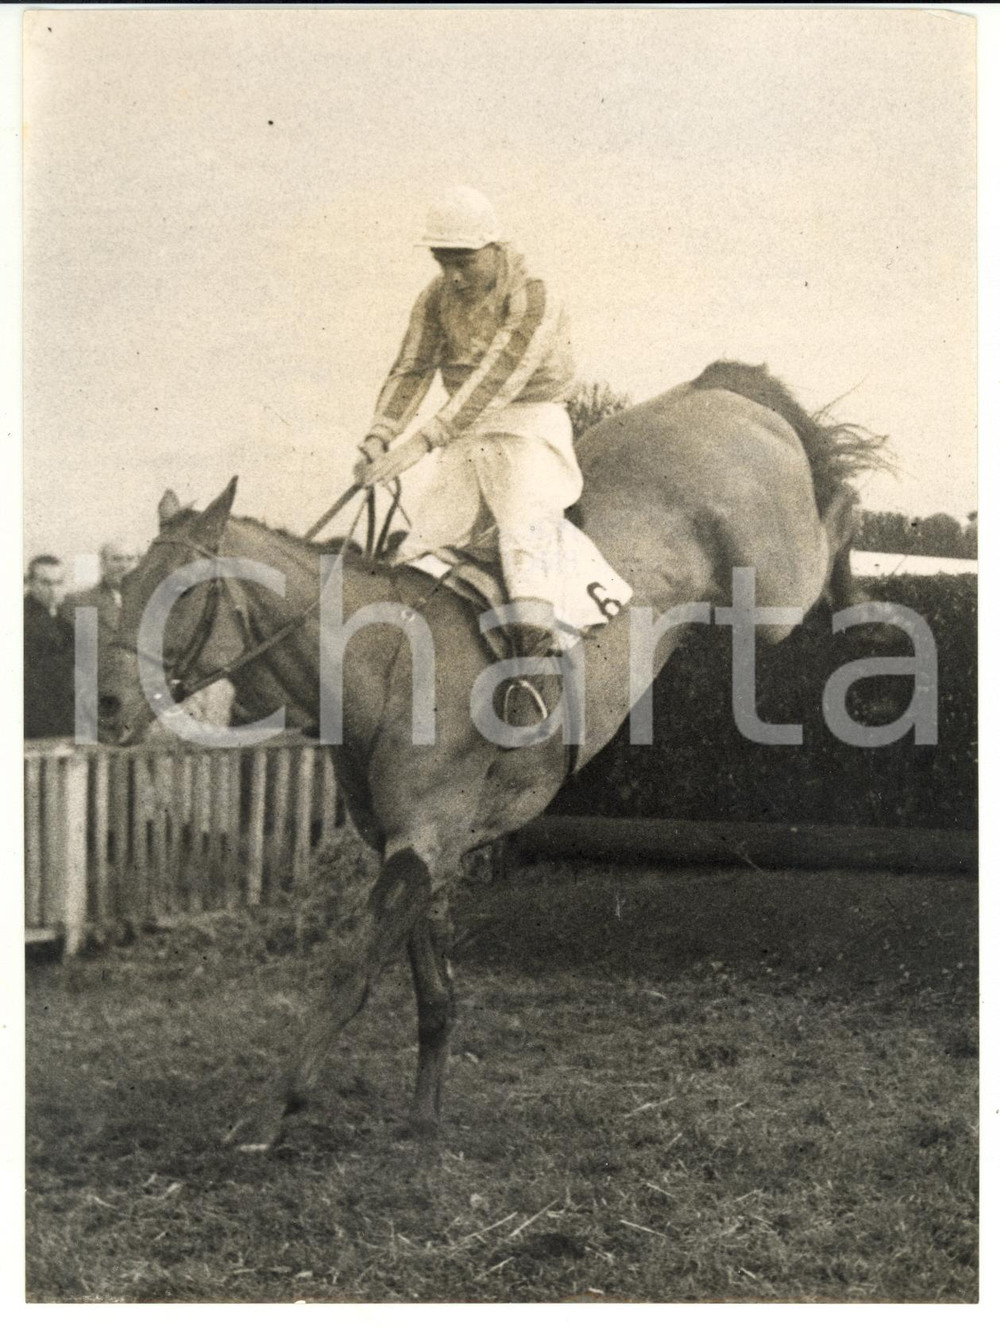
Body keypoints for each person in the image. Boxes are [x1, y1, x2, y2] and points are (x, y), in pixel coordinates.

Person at [353, 186, 581, 725]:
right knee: (418, 551)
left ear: (494, 247)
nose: (452, 275)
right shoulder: (435, 298)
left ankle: (532, 687)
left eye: (463, 261)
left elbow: (495, 381)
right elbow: (412, 367)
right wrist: (379, 436)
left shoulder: (534, 297)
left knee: (524, 540)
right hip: (464, 431)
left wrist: (419, 443)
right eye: (441, 260)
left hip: (530, 423)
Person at [23, 555, 76, 739]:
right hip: (35, 724)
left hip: (63, 720)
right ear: (29, 582)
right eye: (46, 583)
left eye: (58, 582)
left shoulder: (63, 620)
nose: (53, 590)